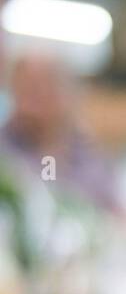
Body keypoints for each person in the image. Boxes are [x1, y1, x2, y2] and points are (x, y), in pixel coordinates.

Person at [1, 52, 116, 207]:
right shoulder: (7, 154)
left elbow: (111, 207)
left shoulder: (86, 153)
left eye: (44, 89)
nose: (30, 104)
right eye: (27, 90)